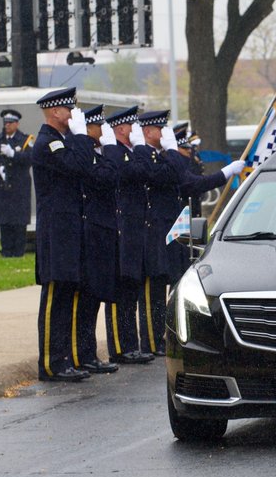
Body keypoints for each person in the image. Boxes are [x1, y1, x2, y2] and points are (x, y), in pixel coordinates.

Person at [139, 109, 243, 356]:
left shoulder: (163, 156)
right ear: (148, 132)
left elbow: (188, 181)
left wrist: (225, 173)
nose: (164, 133)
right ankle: (151, 341)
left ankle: (164, 336)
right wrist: (172, 150)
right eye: (160, 129)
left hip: (172, 228)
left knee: (172, 284)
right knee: (154, 290)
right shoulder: (146, 157)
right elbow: (182, 177)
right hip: (153, 230)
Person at [30, 87, 97, 382]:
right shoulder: (49, 142)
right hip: (56, 232)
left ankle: (65, 359)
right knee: (55, 298)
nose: (72, 114)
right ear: (55, 112)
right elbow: (78, 166)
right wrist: (82, 137)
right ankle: (50, 363)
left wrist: (78, 138)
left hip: (69, 229)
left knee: (67, 296)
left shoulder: (62, 141)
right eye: (68, 109)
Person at [103, 105, 175, 365]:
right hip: (124, 230)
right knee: (121, 292)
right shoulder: (117, 152)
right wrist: (142, 148)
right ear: (122, 129)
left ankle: (130, 344)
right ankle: (121, 347)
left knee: (130, 292)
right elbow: (142, 172)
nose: (137, 130)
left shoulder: (132, 152)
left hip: (136, 231)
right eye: (132, 125)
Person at [73, 105, 120, 375]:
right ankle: (83, 353)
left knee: (94, 298)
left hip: (101, 232)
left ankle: (88, 353)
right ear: (88, 128)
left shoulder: (95, 154)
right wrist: (112, 148)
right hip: (90, 233)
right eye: (99, 126)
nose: (104, 130)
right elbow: (108, 177)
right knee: (87, 298)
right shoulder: (87, 155)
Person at [0, 109, 34, 257]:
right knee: (4, 220)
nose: (7, 125)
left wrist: (14, 154)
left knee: (18, 221)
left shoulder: (25, 140)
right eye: (6, 123)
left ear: (17, 124)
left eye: (11, 123)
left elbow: (31, 158)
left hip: (19, 186)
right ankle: (6, 251)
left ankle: (18, 251)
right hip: (1, 185)